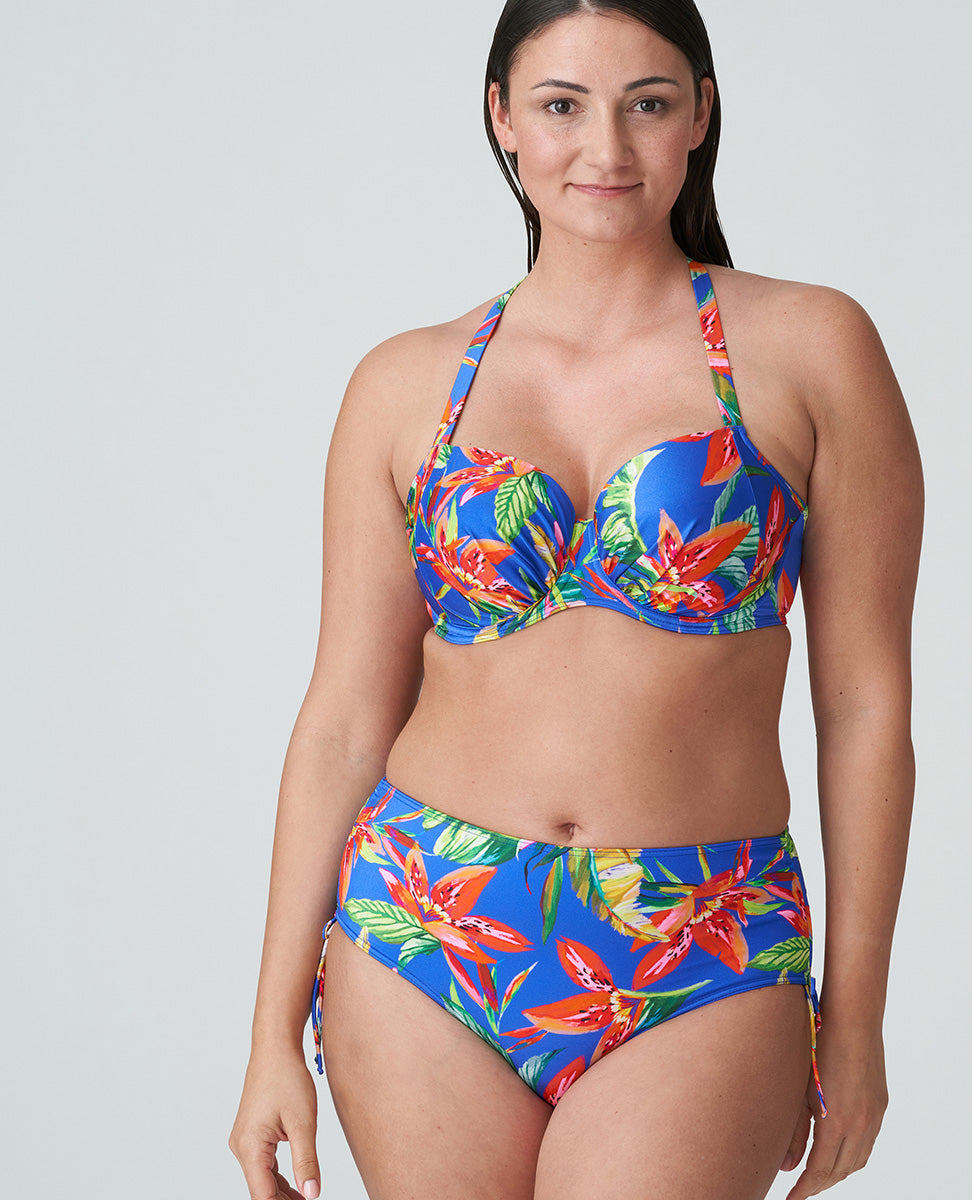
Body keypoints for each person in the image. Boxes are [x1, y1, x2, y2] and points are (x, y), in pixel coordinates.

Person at [228, 1, 923, 1197]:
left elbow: (865, 708)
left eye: (648, 103)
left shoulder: (814, 348)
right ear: (502, 117)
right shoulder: (404, 384)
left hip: (703, 937)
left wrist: (855, 1022)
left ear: (700, 113)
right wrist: (268, 1033)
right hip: (423, 924)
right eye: (562, 105)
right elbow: (343, 718)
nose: (606, 148)